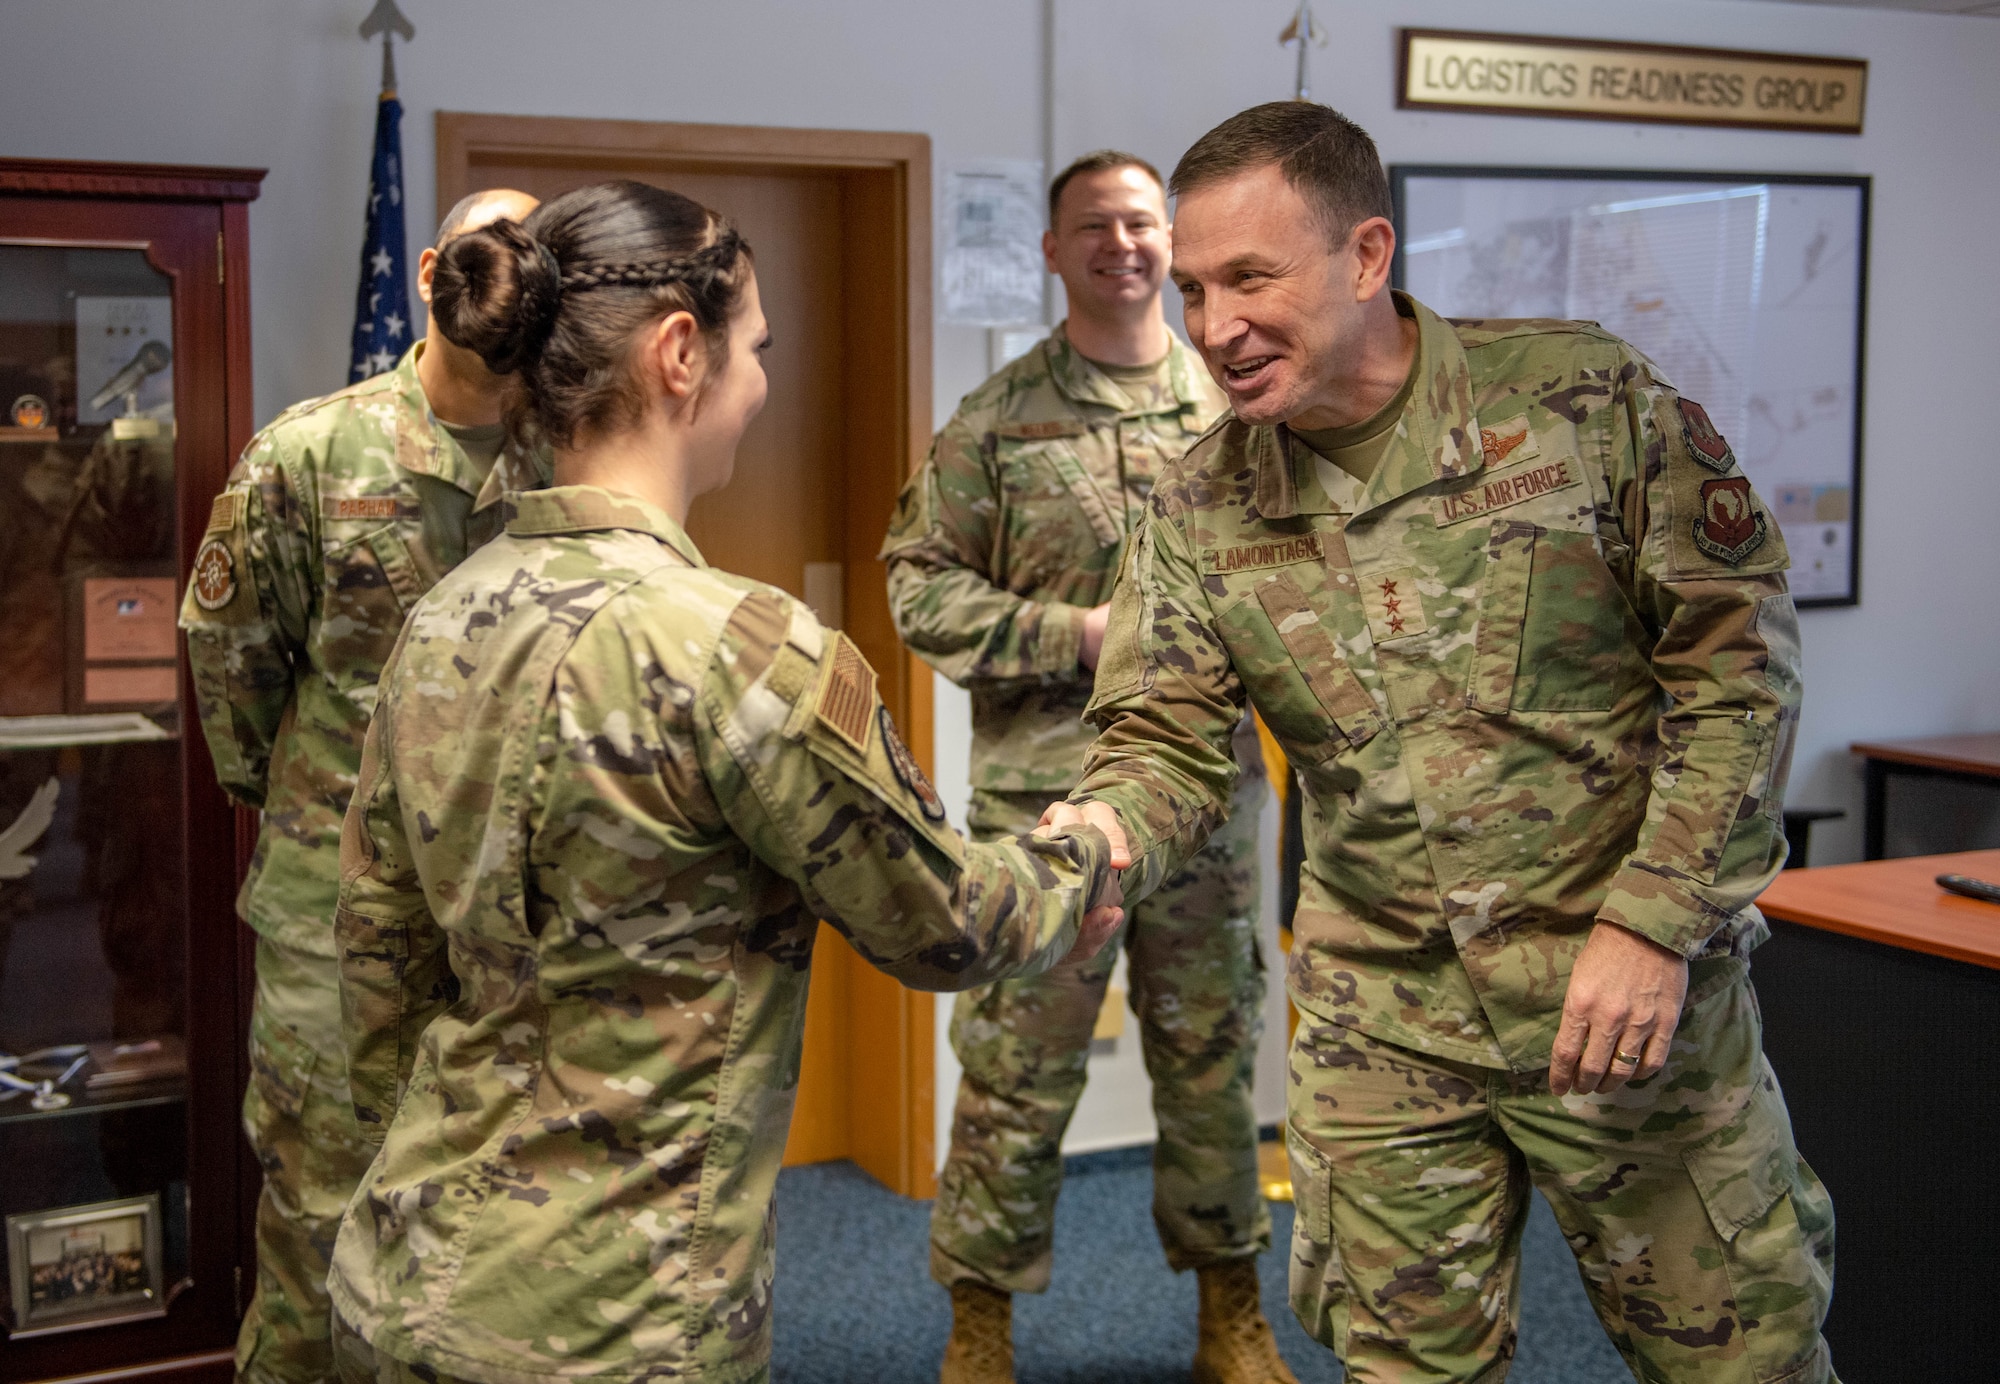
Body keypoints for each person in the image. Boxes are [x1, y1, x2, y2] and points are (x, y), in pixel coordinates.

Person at [1046, 103, 1837, 1383]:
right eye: (1193, 288)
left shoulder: (1584, 402)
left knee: (1741, 1359)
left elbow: (1735, 670)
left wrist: (1652, 920)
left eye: (1250, 277)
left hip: (1622, 996)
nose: (1212, 327)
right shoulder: (1198, 498)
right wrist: (1098, 838)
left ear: (1365, 257)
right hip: (1385, 1022)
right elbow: (1165, 734)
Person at [323, 180, 1124, 1384]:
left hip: (398, 1278)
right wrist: (1092, 845)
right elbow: (950, 927)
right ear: (680, 353)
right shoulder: (735, 646)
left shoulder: (442, 615)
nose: (761, 381)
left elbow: (377, 966)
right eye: (755, 348)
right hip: (612, 1322)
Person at [882, 151, 1292, 1384]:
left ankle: (1230, 1310)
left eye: (1139, 223)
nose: (1121, 245)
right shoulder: (999, 419)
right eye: (1092, 227)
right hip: (1046, 811)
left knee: (1213, 1058)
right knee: (1016, 1062)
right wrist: (1076, 635)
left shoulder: (1239, 409)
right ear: (1052, 253)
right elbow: (916, 585)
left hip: (1208, 806)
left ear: (1169, 243)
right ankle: (979, 1321)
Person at [179, 187, 546, 1384]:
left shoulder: (574, 453)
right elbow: (232, 665)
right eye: (490, 245)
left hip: (514, 925)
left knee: (496, 1239)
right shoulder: (312, 451)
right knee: (317, 1230)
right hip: (334, 929)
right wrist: (312, 814)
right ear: (435, 266)